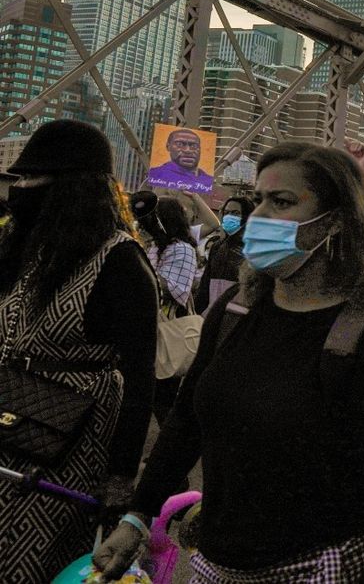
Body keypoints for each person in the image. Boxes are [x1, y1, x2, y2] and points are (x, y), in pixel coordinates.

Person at [94, 142, 364, 583]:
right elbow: (186, 420)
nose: (259, 216)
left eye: (282, 202)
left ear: (337, 221)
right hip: (216, 565)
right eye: (260, 199)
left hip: (317, 569)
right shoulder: (236, 309)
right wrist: (137, 518)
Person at [0, 119, 158, 581]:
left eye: (32, 180)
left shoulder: (120, 260)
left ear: (71, 188)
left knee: (32, 555)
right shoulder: (23, 251)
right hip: (7, 417)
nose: (20, 189)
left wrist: (121, 476)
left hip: (70, 438)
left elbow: (140, 376)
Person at [129, 191, 199, 424]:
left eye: (153, 217)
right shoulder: (154, 246)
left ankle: (168, 446)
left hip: (168, 330)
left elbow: (176, 289)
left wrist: (138, 268)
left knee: (163, 401)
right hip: (147, 329)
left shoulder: (182, 249)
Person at [192, 194, 254, 314]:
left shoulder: (252, 249)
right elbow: (205, 284)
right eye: (226, 212)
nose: (229, 217)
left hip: (237, 314)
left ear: (246, 217)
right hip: (211, 313)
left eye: (235, 213)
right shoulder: (218, 247)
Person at [147, 127, 214, 193]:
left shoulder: (209, 181)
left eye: (194, 146)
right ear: (168, 146)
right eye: (180, 144)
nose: (188, 150)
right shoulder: (156, 174)